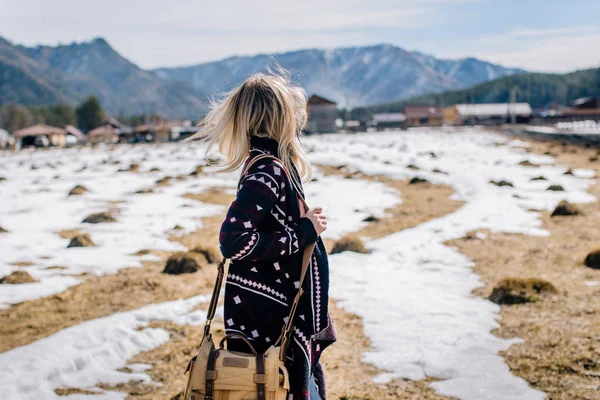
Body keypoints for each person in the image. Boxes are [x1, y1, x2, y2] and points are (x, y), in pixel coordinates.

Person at [188, 71, 337, 399]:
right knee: (276, 384)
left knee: (281, 384)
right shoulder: (266, 171)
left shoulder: (271, 166)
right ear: (278, 118)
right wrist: (303, 232)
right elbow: (233, 241)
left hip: (273, 309)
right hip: (270, 314)